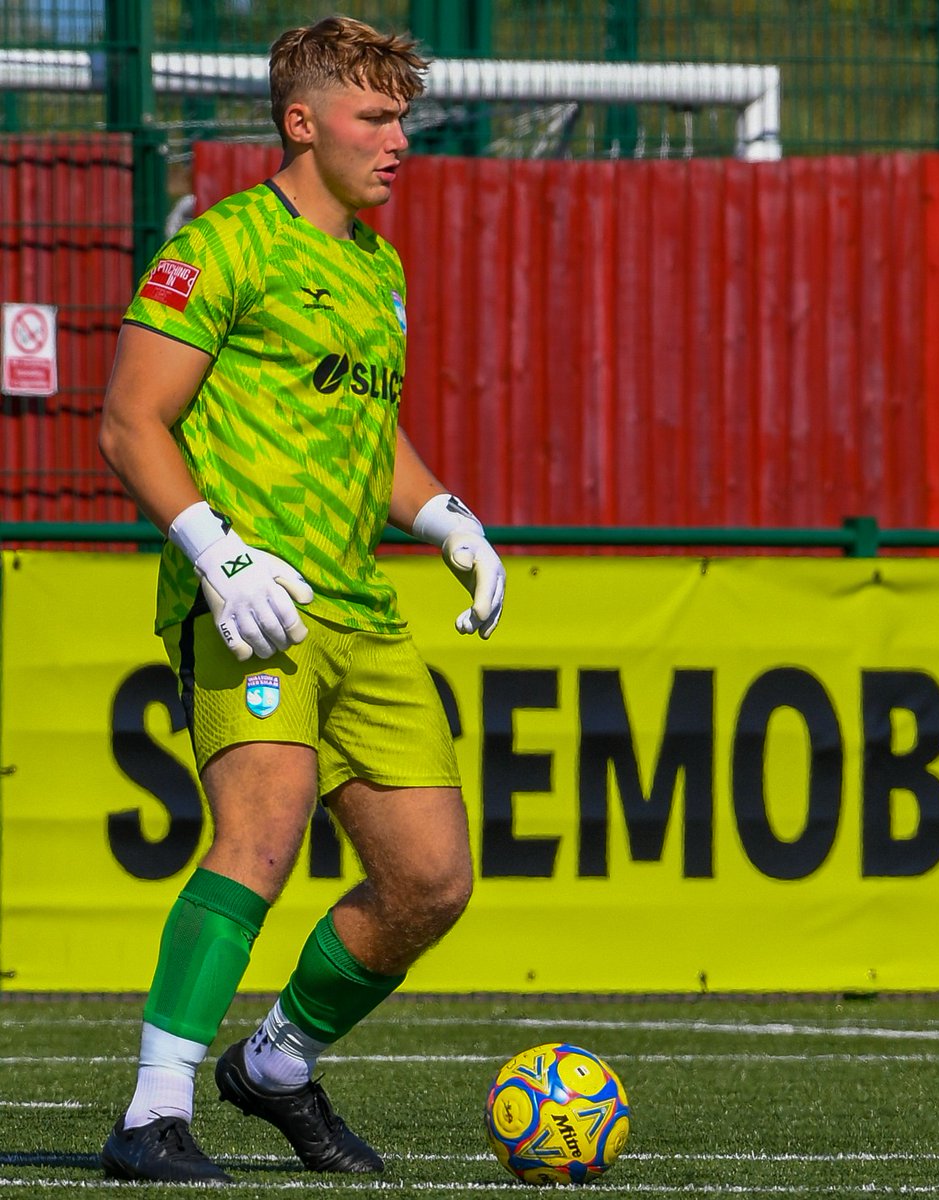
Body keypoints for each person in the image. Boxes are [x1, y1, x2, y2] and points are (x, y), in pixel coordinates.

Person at [97, 15, 505, 1184]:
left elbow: (371, 443)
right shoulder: (224, 246)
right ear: (301, 121)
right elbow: (131, 419)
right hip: (250, 606)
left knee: (432, 880)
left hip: (361, 611)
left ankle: (273, 1068)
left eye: (403, 118)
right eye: (375, 118)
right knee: (262, 836)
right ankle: (152, 1112)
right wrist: (217, 556)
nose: (398, 141)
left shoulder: (378, 269)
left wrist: (449, 521)